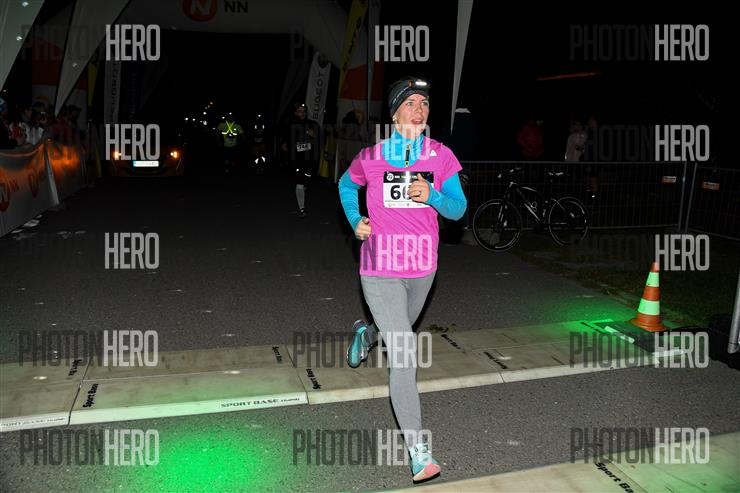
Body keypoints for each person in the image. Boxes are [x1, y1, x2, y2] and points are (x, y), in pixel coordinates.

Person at [338, 77, 467, 483]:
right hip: (379, 268)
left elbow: (458, 210)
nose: (418, 110)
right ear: (394, 114)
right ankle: (418, 452)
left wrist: (433, 196)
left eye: (424, 103)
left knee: (395, 332)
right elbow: (346, 184)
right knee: (405, 352)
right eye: (409, 103)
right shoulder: (372, 156)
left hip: (423, 269)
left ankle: (366, 335)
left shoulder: (441, 156)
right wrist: (355, 219)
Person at [281, 103, 319, 216]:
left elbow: (319, 139)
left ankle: (303, 188)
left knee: (306, 181)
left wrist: (314, 135)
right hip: (296, 159)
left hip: (309, 159)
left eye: (304, 111)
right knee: (300, 182)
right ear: (295, 113)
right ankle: (302, 208)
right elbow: (285, 139)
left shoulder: (312, 124)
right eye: (299, 111)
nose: (302, 113)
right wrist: (285, 144)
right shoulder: (291, 125)